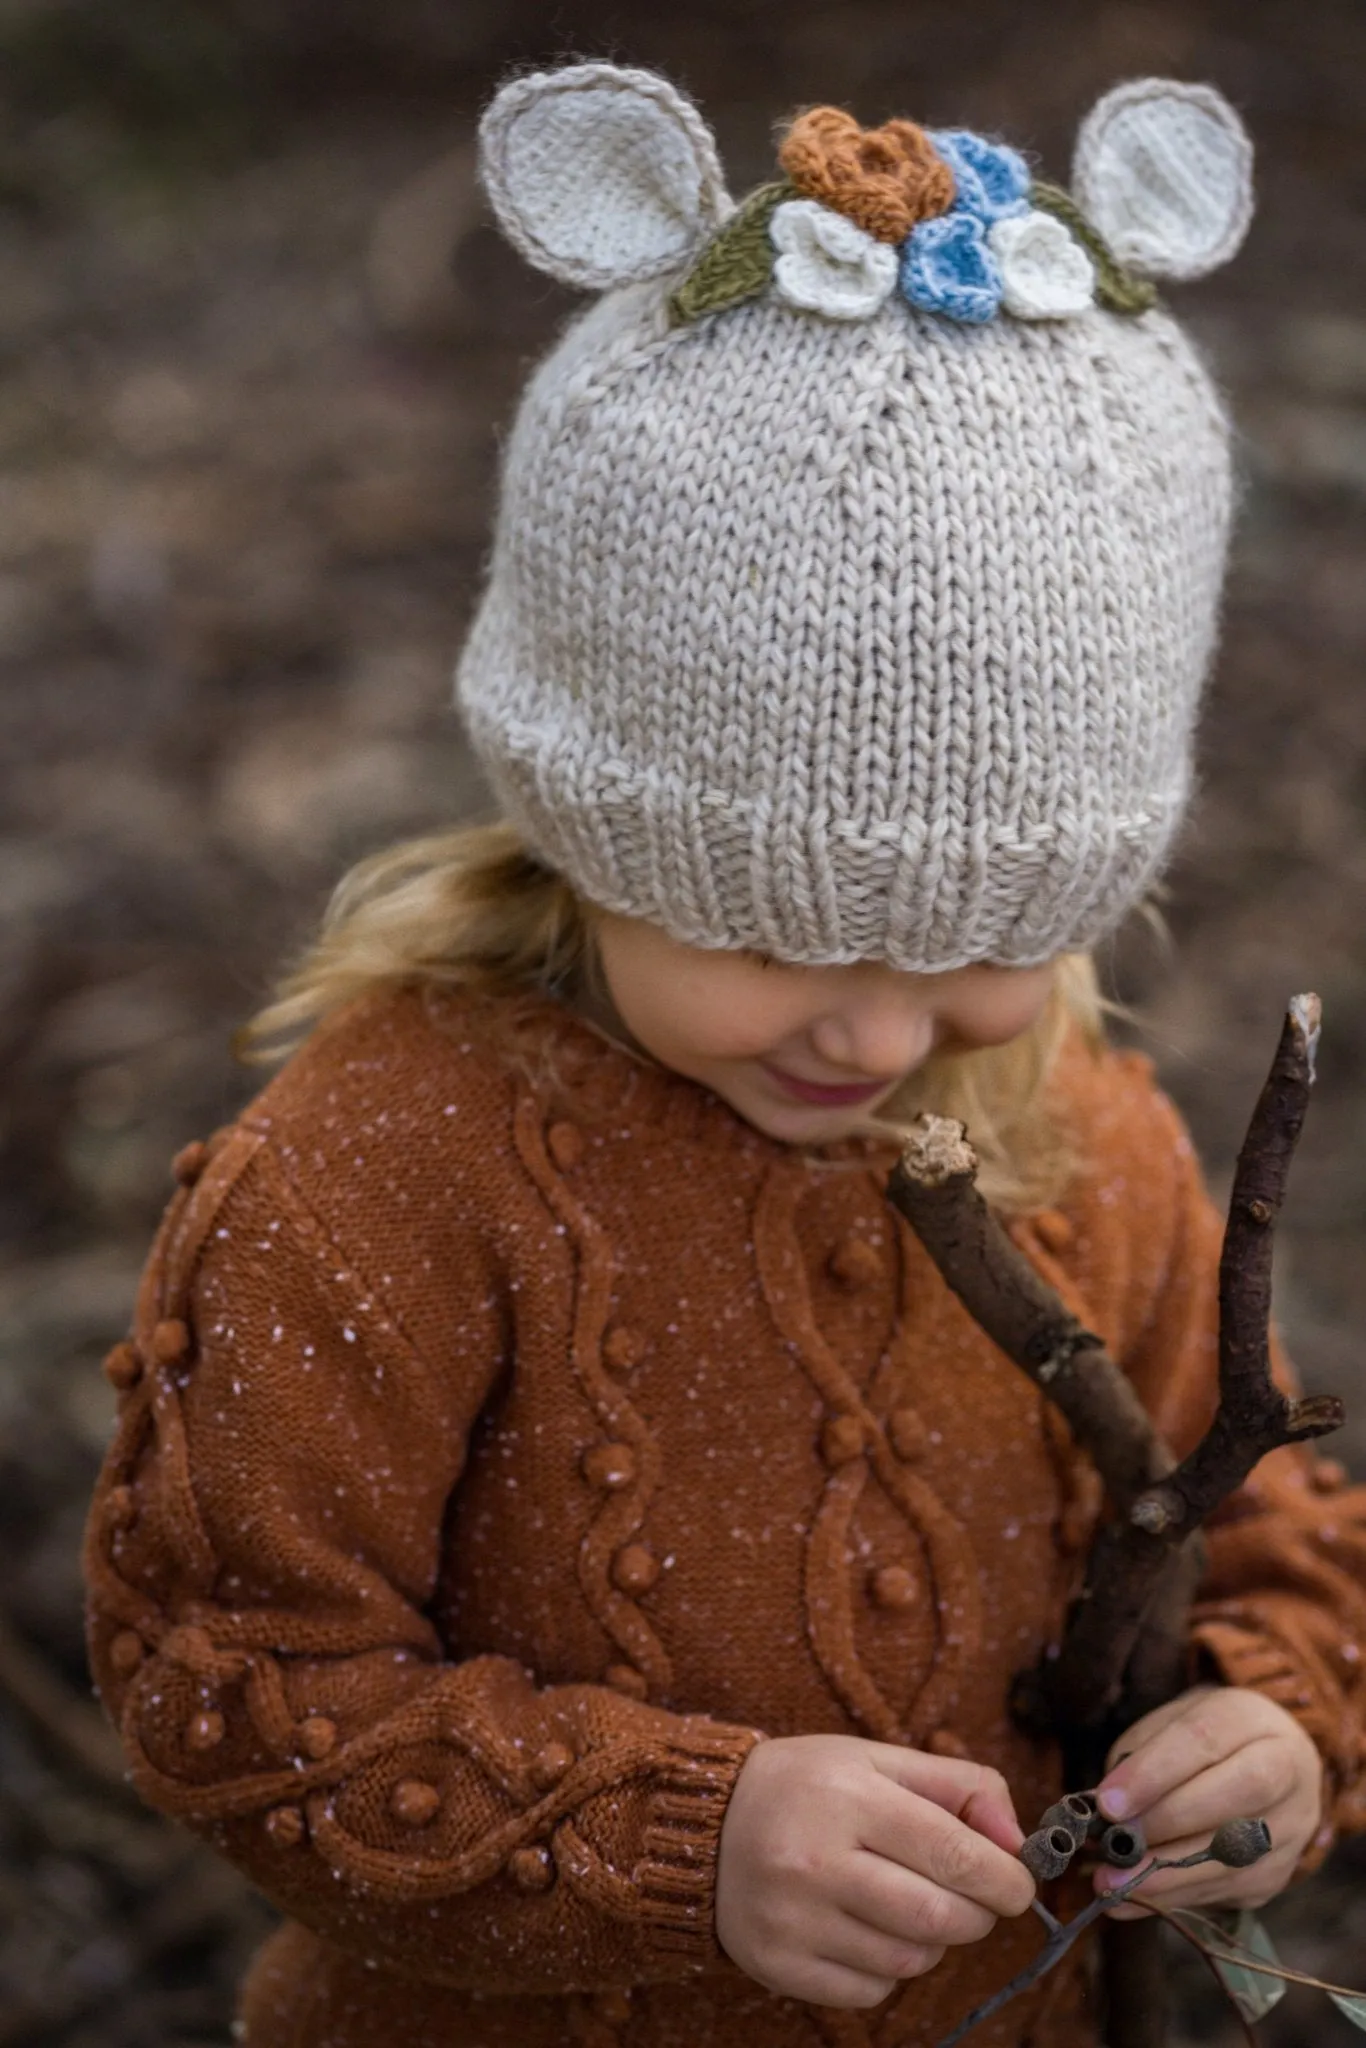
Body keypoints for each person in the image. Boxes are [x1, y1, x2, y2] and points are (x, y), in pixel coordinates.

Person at [82, 63, 1366, 2048]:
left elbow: (1260, 1524)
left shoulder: (1085, 1143)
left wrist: (1264, 1714)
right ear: (589, 825)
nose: (870, 1024)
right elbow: (225, 1673)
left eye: (978, 940)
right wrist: (686, 1834)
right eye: (768, 928)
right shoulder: (378, 1172)